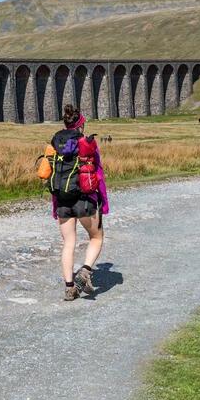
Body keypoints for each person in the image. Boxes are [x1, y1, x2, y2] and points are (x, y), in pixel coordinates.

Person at [50, 104, 110, 301]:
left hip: (62, 200)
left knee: (68, 242)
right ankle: (85, 271)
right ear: (81, 125)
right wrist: (104, 204)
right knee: (96, 237)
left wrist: (55, 206)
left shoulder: (55, 143)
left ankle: (69, 288)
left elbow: (53, 175)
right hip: (85, 200)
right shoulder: (87, 144)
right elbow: (98, 174)